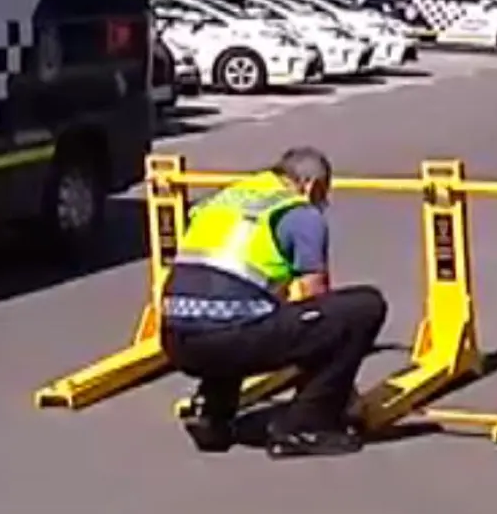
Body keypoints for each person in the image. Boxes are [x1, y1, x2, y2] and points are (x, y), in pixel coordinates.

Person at [159, 146, 388, 458]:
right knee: (362, 308)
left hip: (176, 338)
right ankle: (303, 426)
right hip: (229, 336)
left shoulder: (227, 199)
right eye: (323, 195)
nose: (323, 204)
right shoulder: (299, 213)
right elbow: (314, 299)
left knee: (237, 308)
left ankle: (212, 415)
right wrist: (339, 389)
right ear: (311, 185)